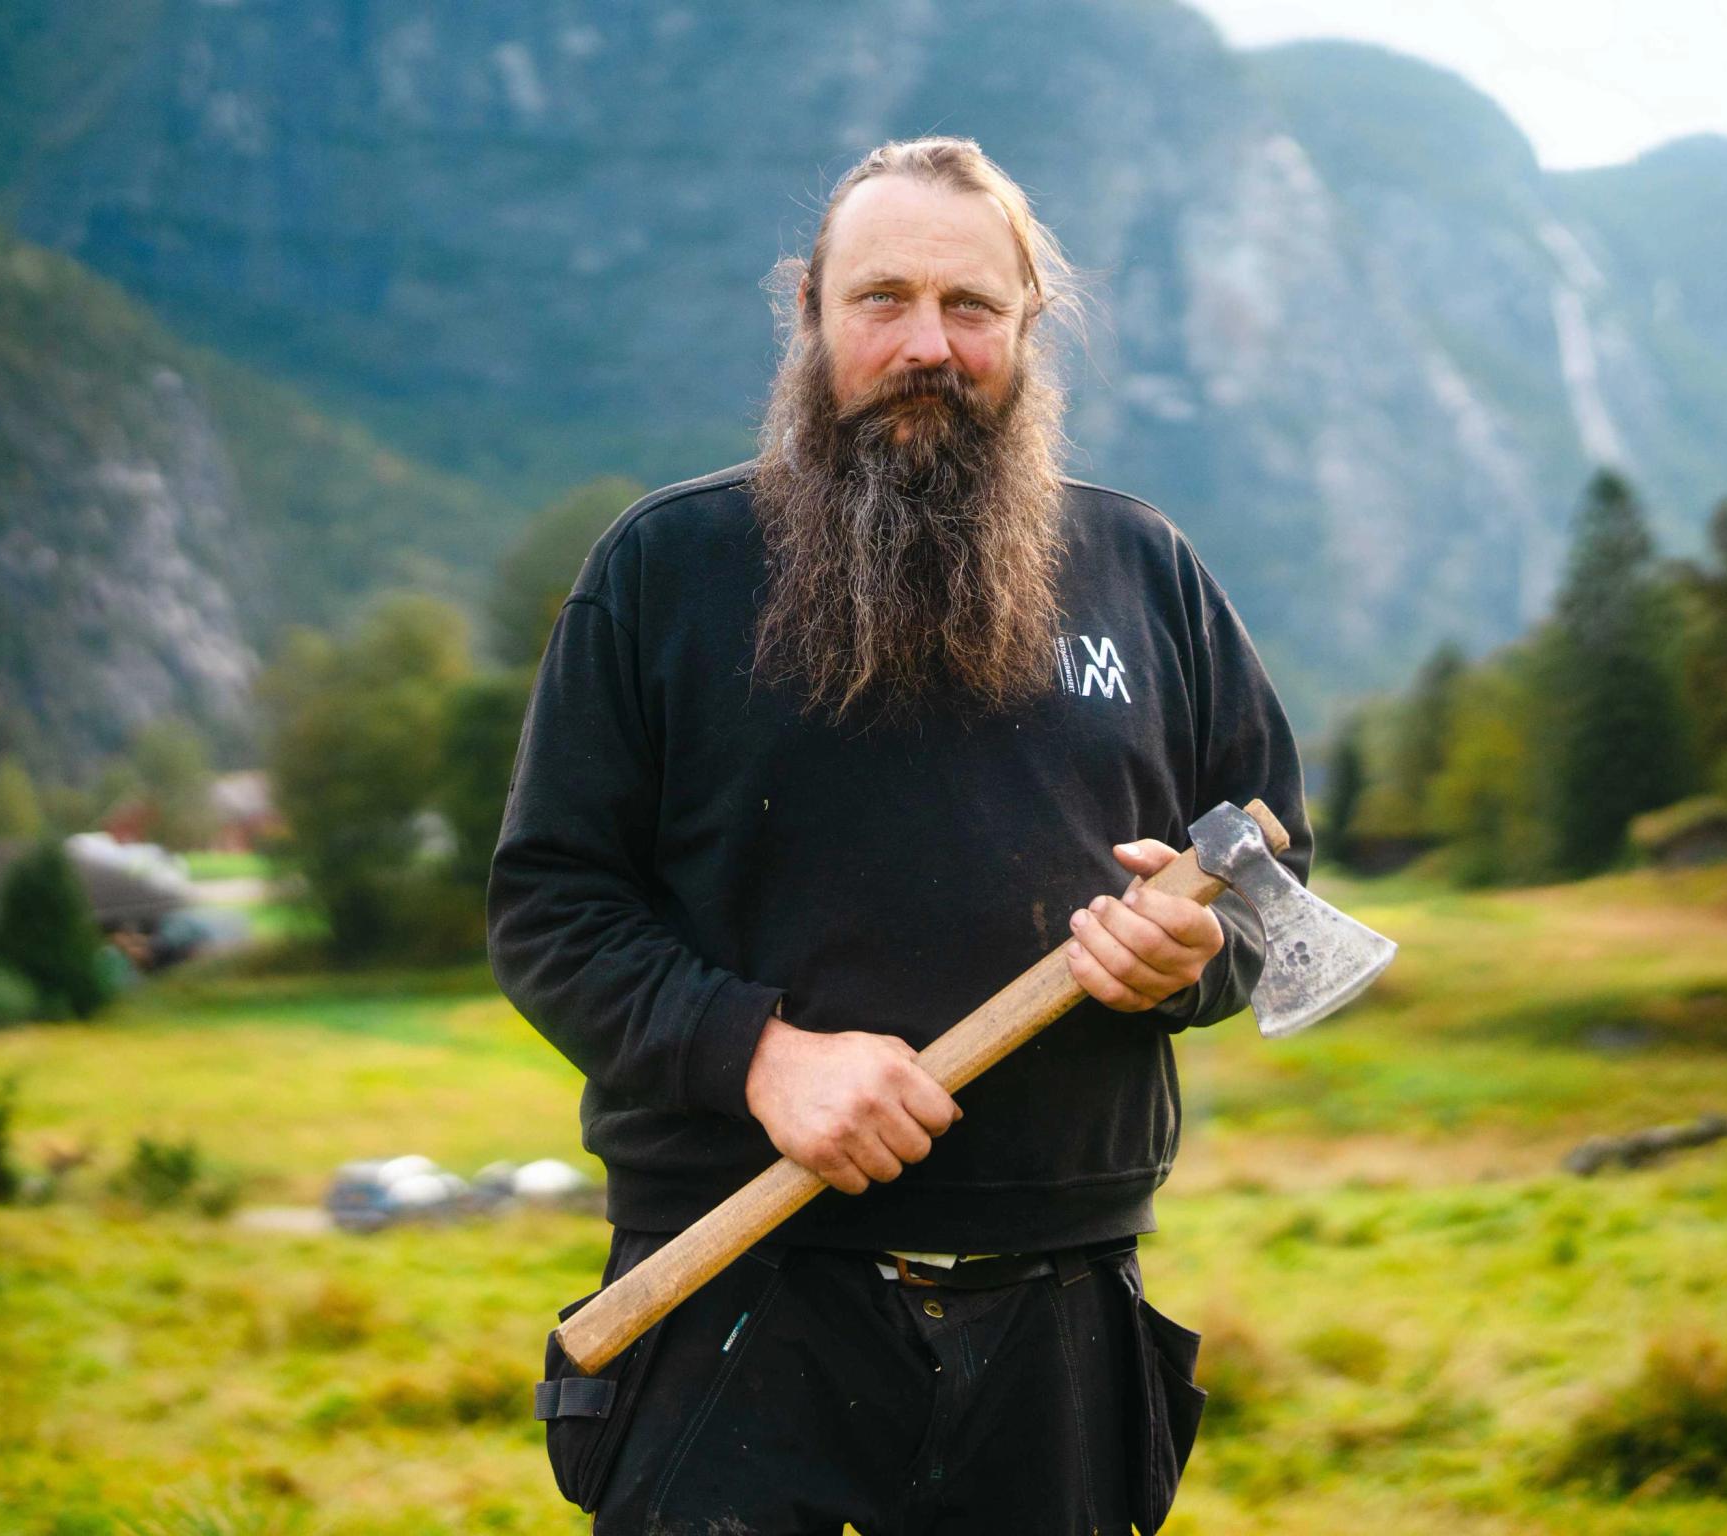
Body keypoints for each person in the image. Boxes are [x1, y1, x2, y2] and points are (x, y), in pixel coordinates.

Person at [488, 136, 1311, 1536]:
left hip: (1059, 1316)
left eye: (970, 306)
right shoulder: (667, 570)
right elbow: (551, 906)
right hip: (737, 1291)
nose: (928, 344)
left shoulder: (1144, 572)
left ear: (1028, 324)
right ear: (809, 311)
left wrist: (1194, 956)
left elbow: (1266, 878)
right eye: (883, 299)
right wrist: (760, 1056)